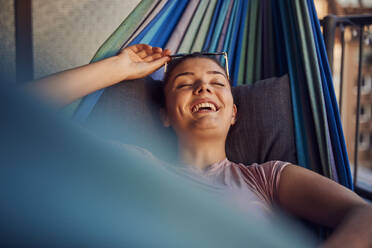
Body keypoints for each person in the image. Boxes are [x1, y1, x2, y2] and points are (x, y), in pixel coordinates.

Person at [27, 44, 372, 247]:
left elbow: (364, 215)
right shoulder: (133, 164)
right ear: (164, 115)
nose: (203, 89)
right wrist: (119, 67)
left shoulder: (266, 178)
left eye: (216, 83)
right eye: (184, 83)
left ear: (234, 113)